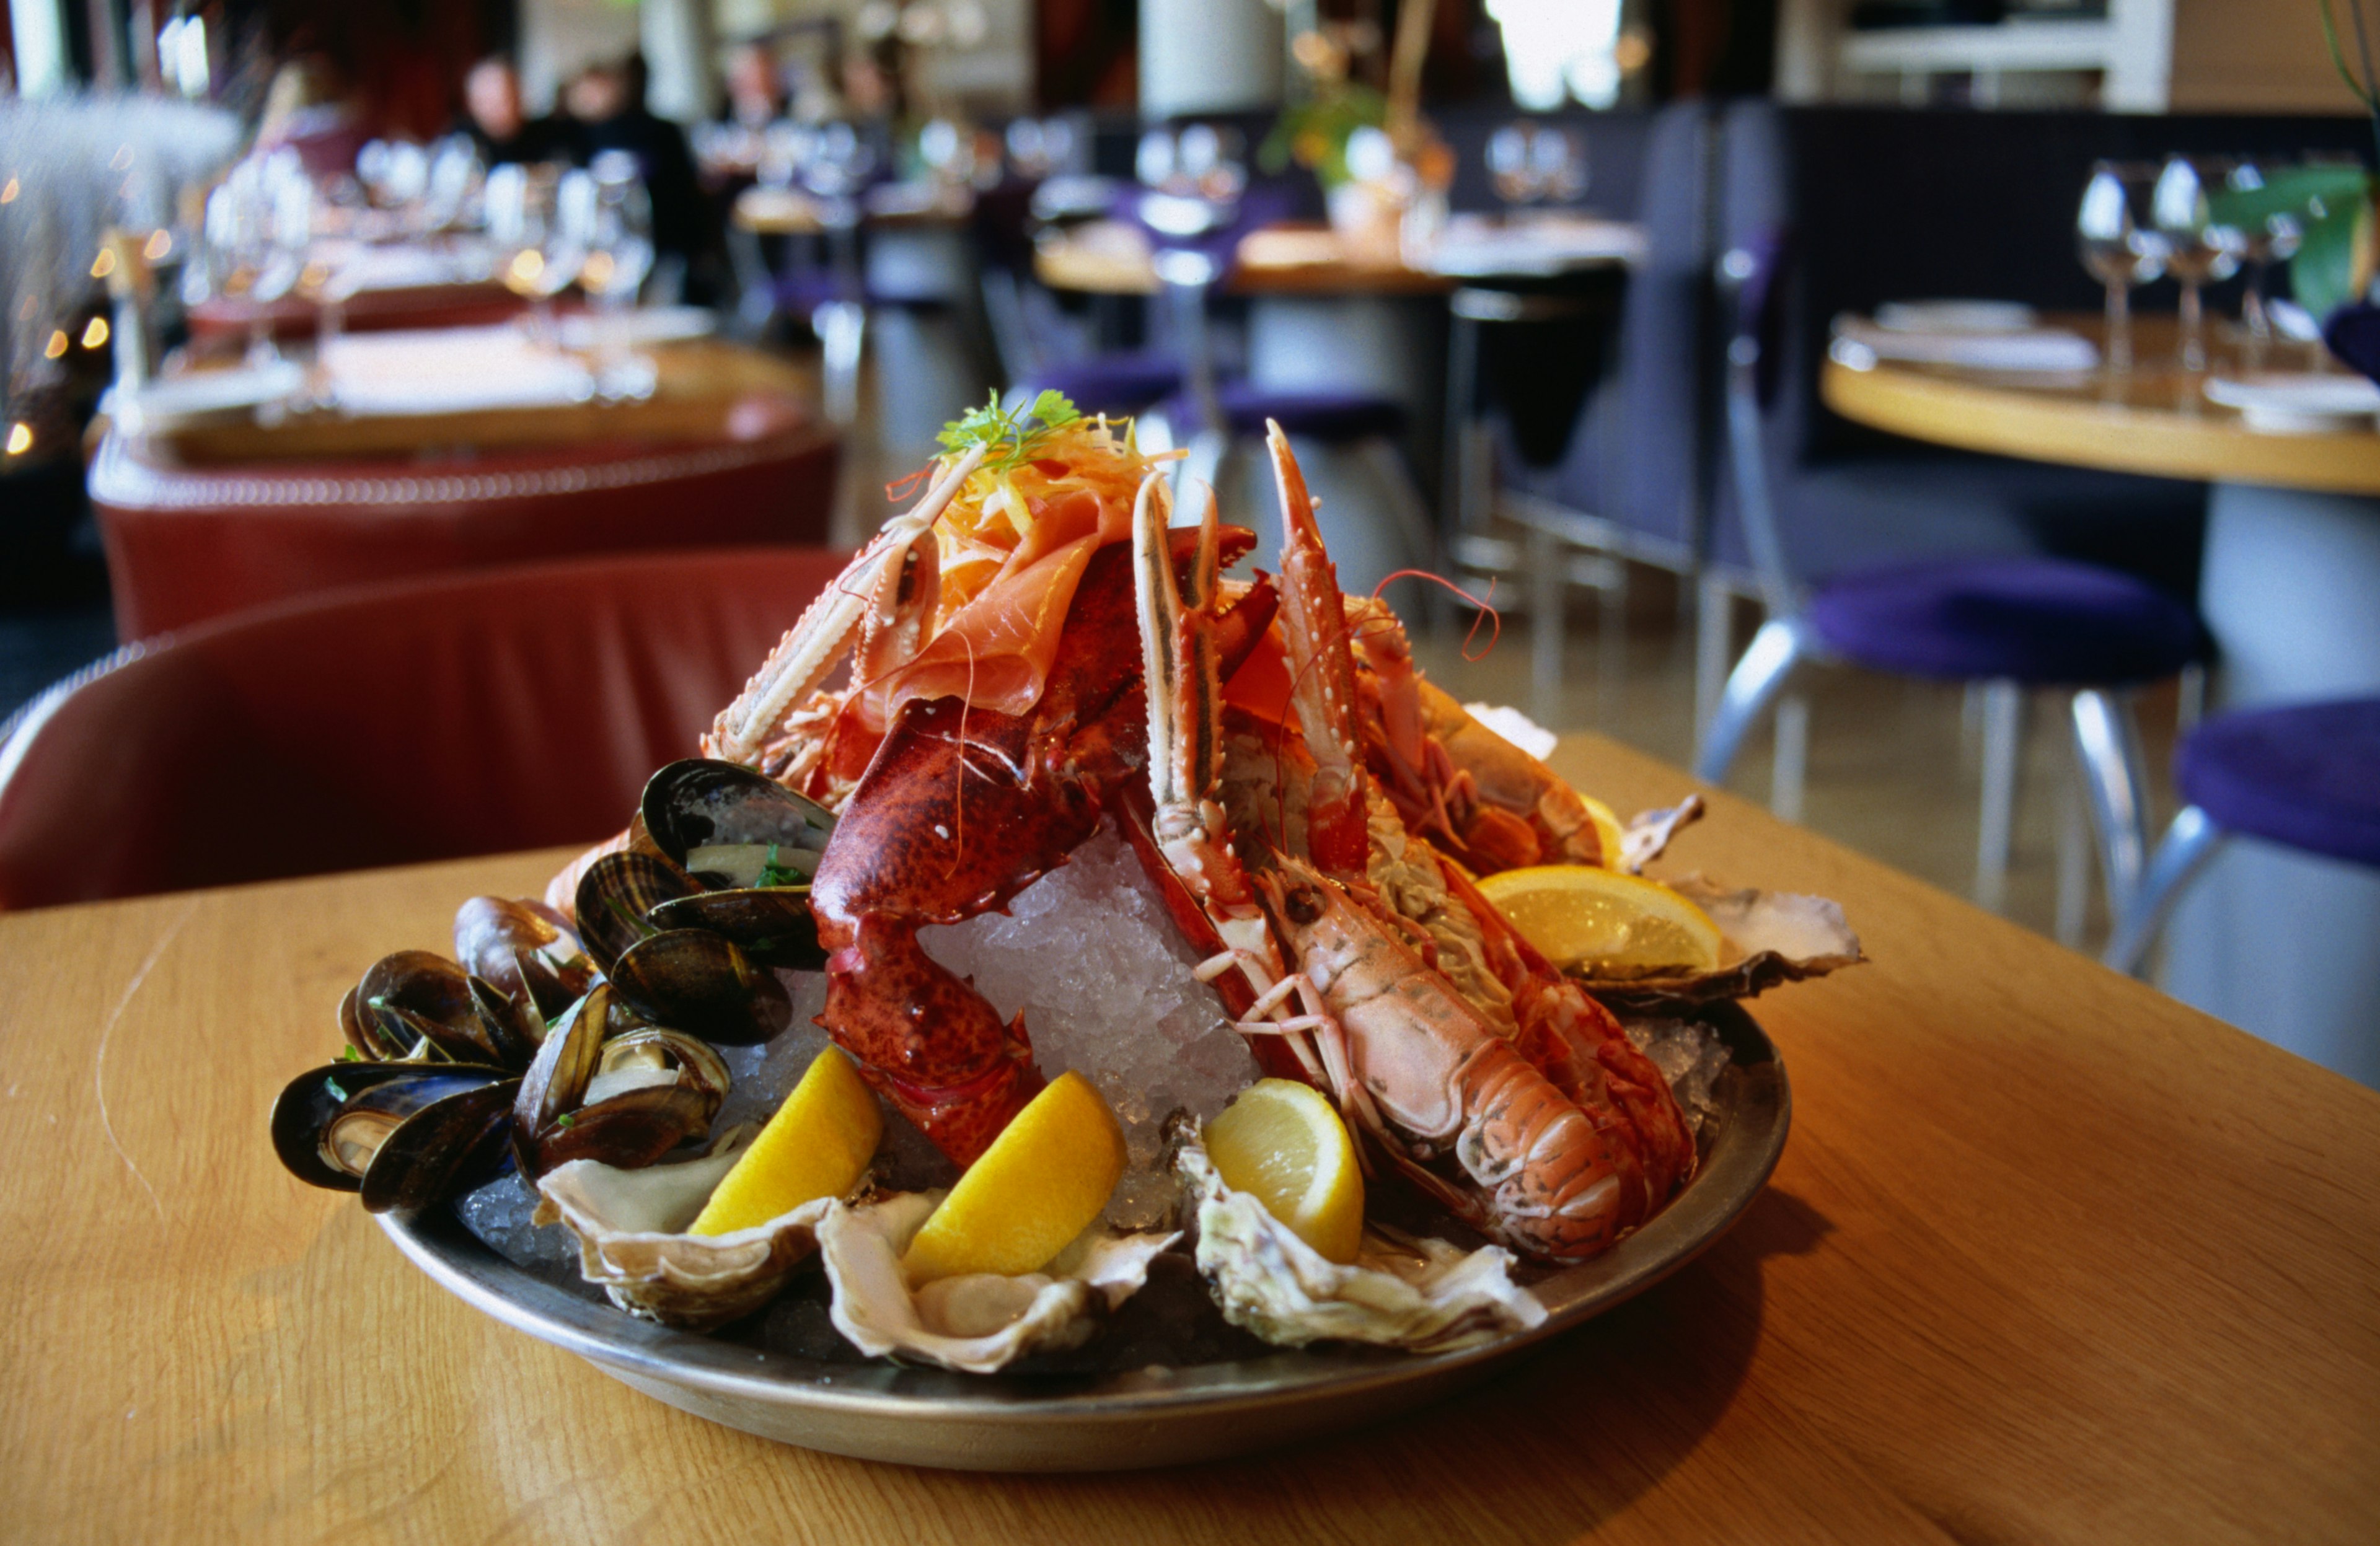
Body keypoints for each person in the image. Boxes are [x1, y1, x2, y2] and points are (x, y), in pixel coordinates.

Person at [563, 56, 703, 275]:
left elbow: (685, 191)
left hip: (661, 246)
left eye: (600, 88)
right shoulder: (573, 140)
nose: (594, 97)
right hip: (598, 254)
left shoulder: (658, 131)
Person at [459, 55, 566, 165]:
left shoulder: (550, 136)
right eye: (486, 102)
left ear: (519, 95)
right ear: (472, 105)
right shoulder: (461, 145)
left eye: (504, 99)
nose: (496, 110)